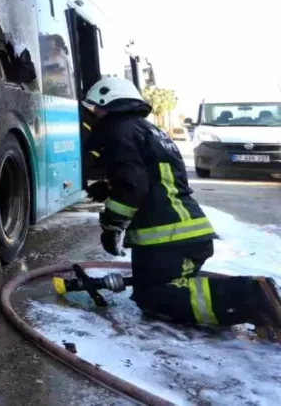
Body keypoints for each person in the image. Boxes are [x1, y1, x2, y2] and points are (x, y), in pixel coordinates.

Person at [82, 75, 281, 341]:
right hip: (184, 232)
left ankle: (250, 298)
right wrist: (110, 186)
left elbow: (134, 187)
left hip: (168, 238)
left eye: (95, 108)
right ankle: (255, 299)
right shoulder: (148, 130)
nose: (93, 115)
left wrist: (111, 226)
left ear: (107, 104)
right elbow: (155, 179)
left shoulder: (118, 132)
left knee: (156, 296)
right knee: (158, 293)